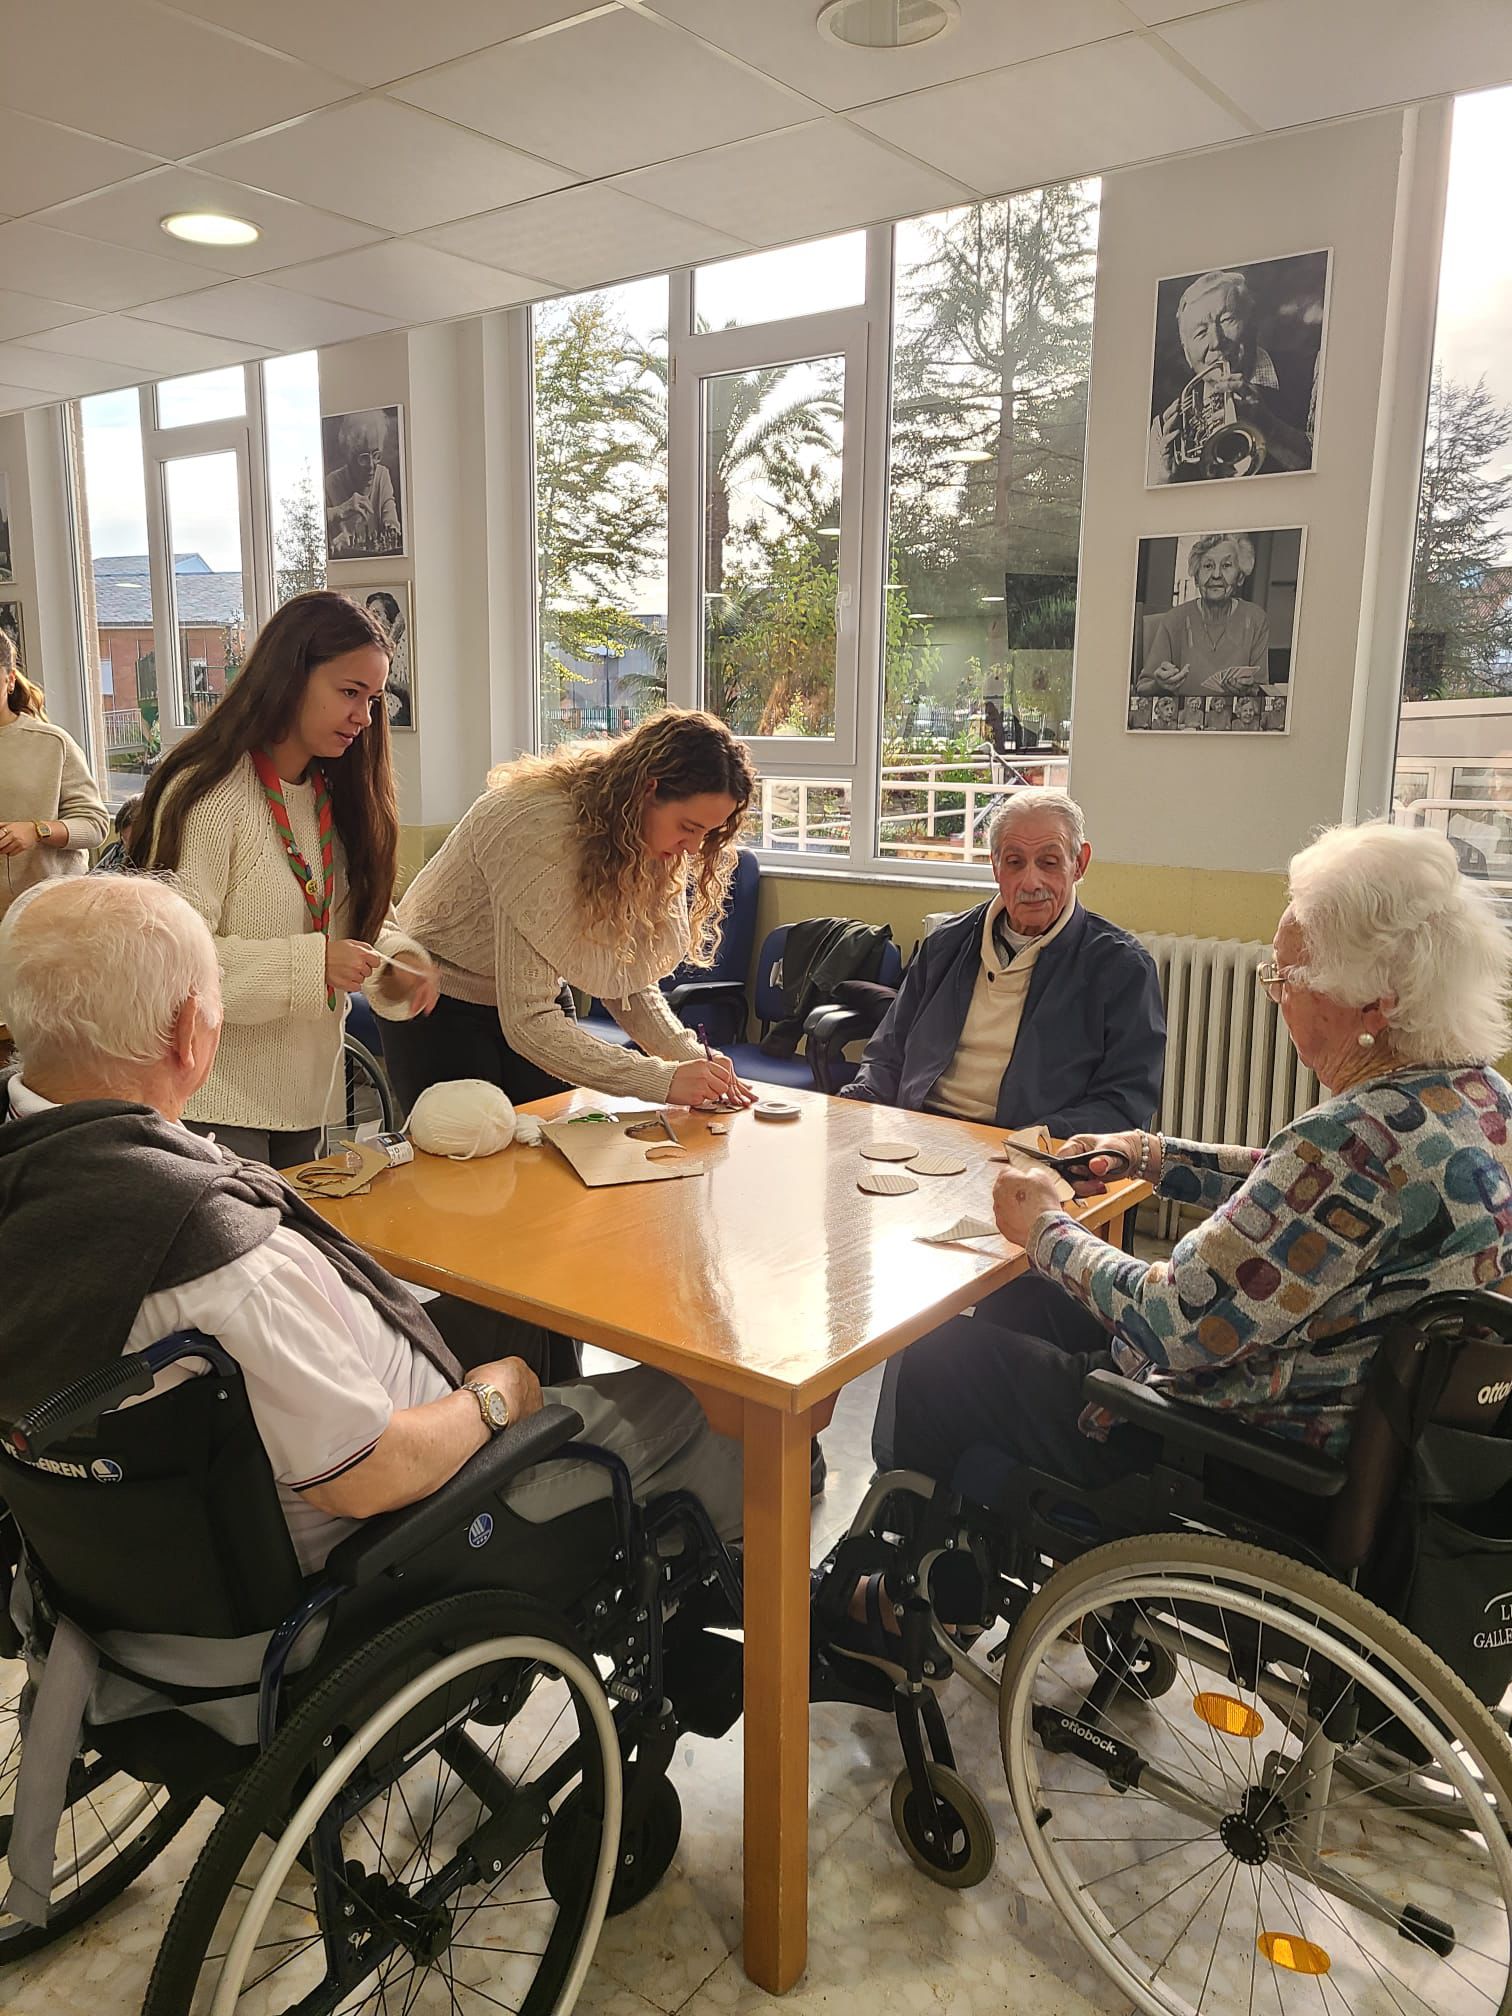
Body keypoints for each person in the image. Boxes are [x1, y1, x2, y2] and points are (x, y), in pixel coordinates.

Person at [0, 875, 742, 1582]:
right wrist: (496, 1399)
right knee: (703, 1413)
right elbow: (367, 1476)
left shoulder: (37, 1187)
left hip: (149, 1550)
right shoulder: (218, 1257)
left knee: (505, 1322)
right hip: (400, 1527)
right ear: (189, 1035)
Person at [890, 822, 1512, 1507]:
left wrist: (1044, 1227)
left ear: (1374, 1001)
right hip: (1371, 1444)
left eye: (1283, 979)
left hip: (1225, 1447)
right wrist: (1154, 1157)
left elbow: (1171, 1320)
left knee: (936, 1358)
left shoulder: (1353, 1142)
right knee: (1033, 1305)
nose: (1277, 1000)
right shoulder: (1478, 1101)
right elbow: (1298, 1188)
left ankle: (890, 1587)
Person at [129, 590, 439, 1169]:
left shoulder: (332, 792)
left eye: (374, 700)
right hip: (214, 1098)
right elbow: (170, 965)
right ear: (290, 675)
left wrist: (398, 959)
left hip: (308, 1098)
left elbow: (358, 922)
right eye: (349, 692)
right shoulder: (210, 793)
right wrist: (313, 964)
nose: (364, 718)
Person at [384, 709, 758, 1114]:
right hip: (437, 994)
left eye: (706, 832)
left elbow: (626, 977)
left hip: (534, 997)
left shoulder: (645, 837)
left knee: (551, 1151)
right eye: (688, 827)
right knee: (467, 1156)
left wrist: (689, 1056)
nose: (692, 847)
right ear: (649, 790)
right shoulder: (536, 826)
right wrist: (661, 1079)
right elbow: (528, 1022)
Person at [839, 790, 1164, 1138]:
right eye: (1014, 862)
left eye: (1049, 862)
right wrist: (856, 1107)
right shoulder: (946, 945)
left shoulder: (1121, 967)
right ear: (995, 865)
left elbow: (1125, 1102)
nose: (1031, 881)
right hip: (921, 1132)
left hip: (1033, 1150)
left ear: (1079, 864)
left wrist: (1033, 1140)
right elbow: (887, 1052)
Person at [1148, 268, 1315, 485]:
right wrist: (1162, 479)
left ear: (1253, 323)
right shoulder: (1168, 427)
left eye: (1226, 320)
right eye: (1200, 333)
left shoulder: (1311, 370)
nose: (1216, 342)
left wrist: (1270, 427)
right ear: (1187, 354)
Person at [0, 629, 109, 922]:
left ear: (10, 680)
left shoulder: (53, 744)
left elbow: (95, 826)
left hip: (51, 917)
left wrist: (37, 831)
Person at [1137, 534, 1271, 699]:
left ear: (1240, 577)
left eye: (1226, 565)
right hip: (1183, 719)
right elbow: (1142, 688)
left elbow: (1261, 689)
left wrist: (1249, 690)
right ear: (1196, 579)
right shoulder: (1174, 619)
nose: (1216, 575)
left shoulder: (1256, 619)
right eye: (1207, 566)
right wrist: (1159, 684)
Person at [326, 411, 401, 557]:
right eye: (364, 458)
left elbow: (392, 521)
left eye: (376, 455)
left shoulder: (382, 475)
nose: (371, 466)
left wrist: (392, 529)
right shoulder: (331, 483)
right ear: (349, 456)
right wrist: (340, 510)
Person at [364, 591, 411, 728]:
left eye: (377, 615)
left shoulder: (402, 653)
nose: (371, 621)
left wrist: (392, 638)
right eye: (368, 615)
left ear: (391, 622)